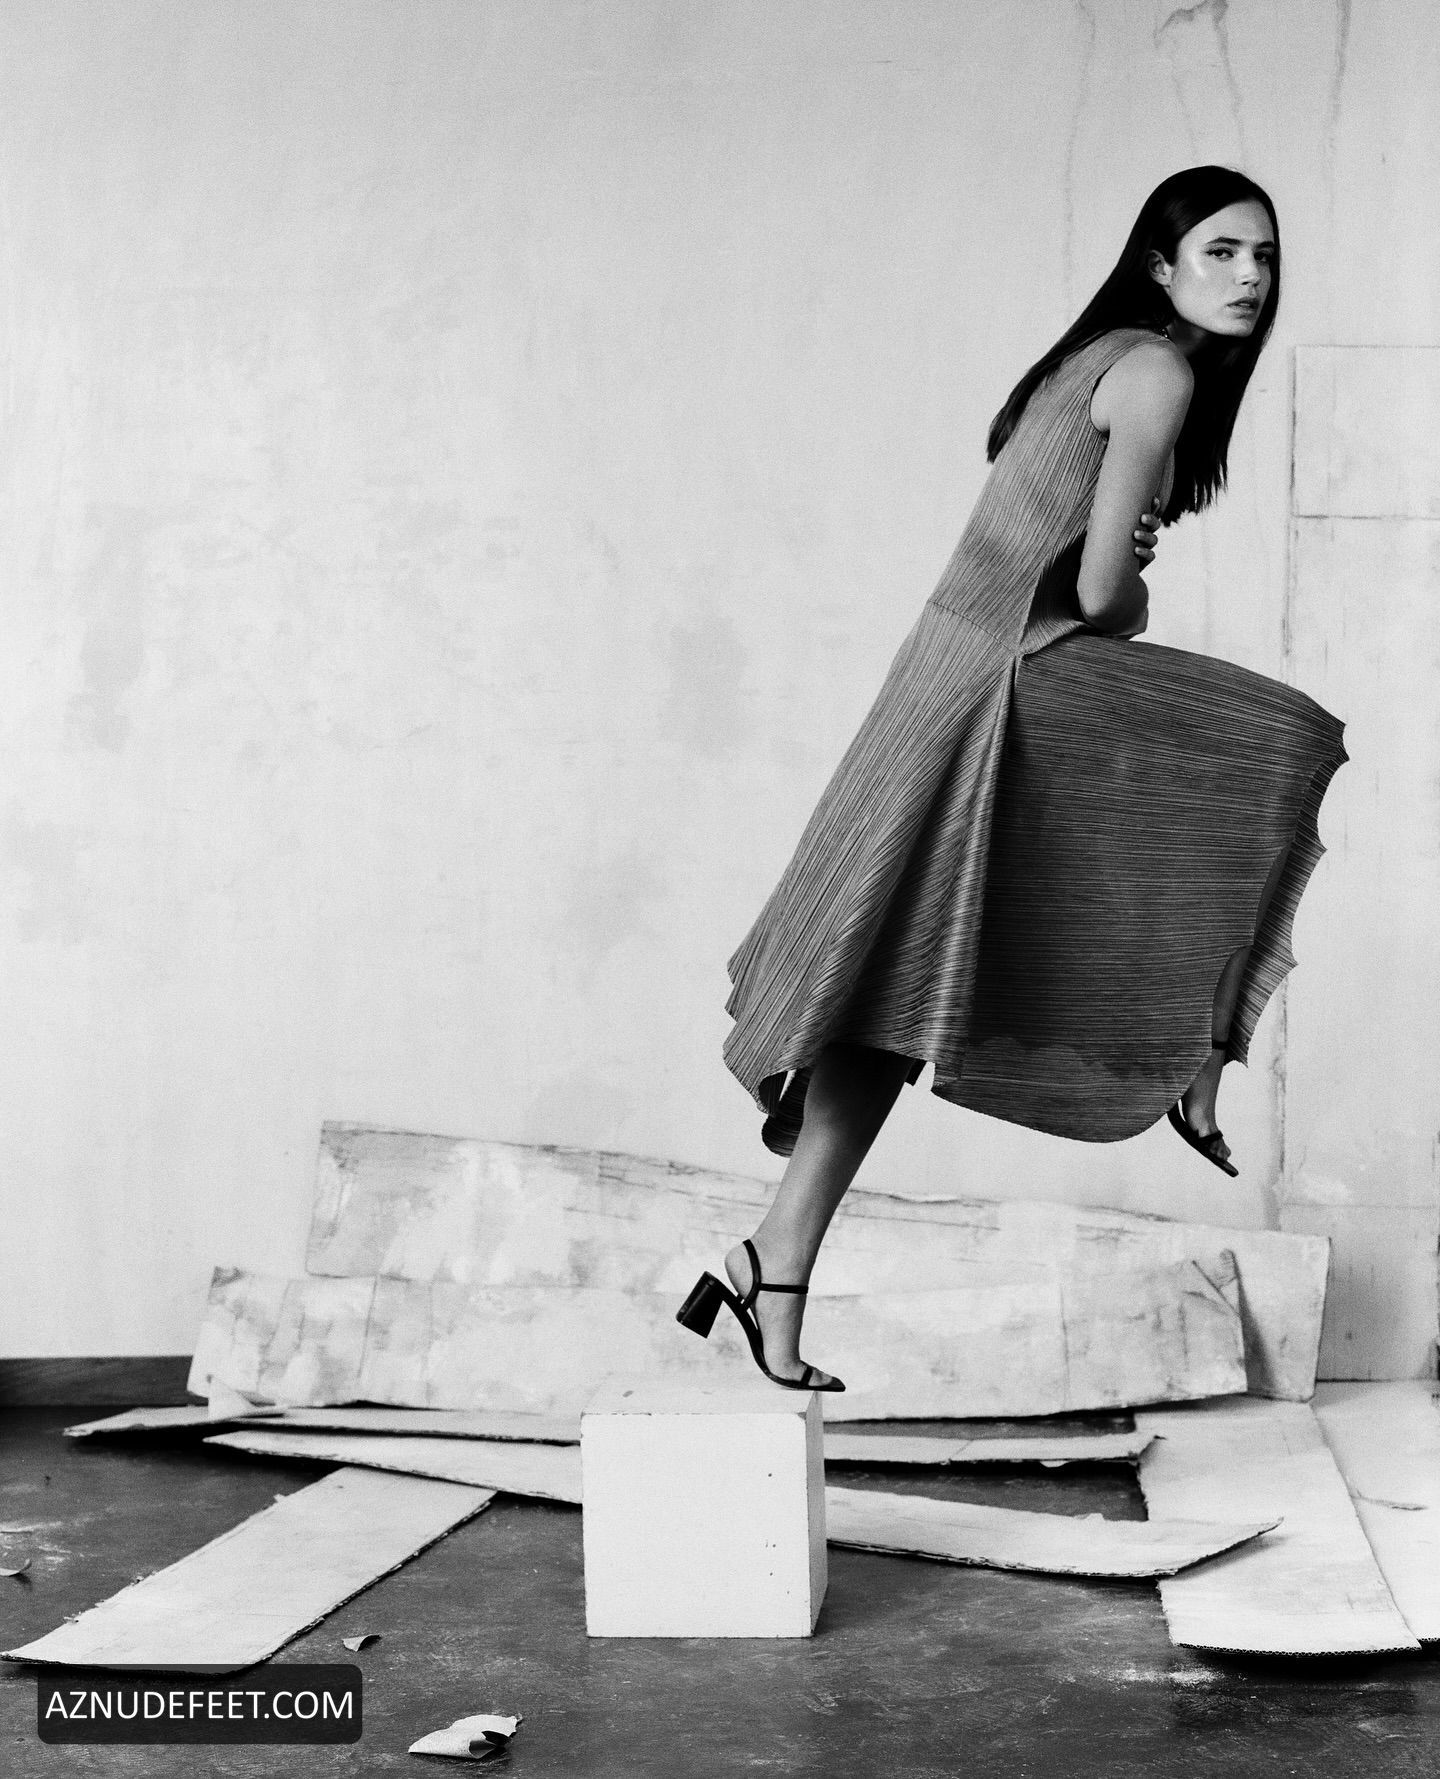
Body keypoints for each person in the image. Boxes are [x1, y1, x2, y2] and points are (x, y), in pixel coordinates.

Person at [677, 166, 1347, 1392]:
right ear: (1162, 264)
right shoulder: (1158, 371)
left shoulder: (1095, 356)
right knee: (1276, 749)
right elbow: (1097, 598)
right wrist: (1131, 587)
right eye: (1222, 251)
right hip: (992, 687)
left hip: (948, 677)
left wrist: (1110, 567)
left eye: (1264, 256)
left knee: (886, 1001)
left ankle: (772, 1262)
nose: (1250, 275)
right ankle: (1197, 1050)